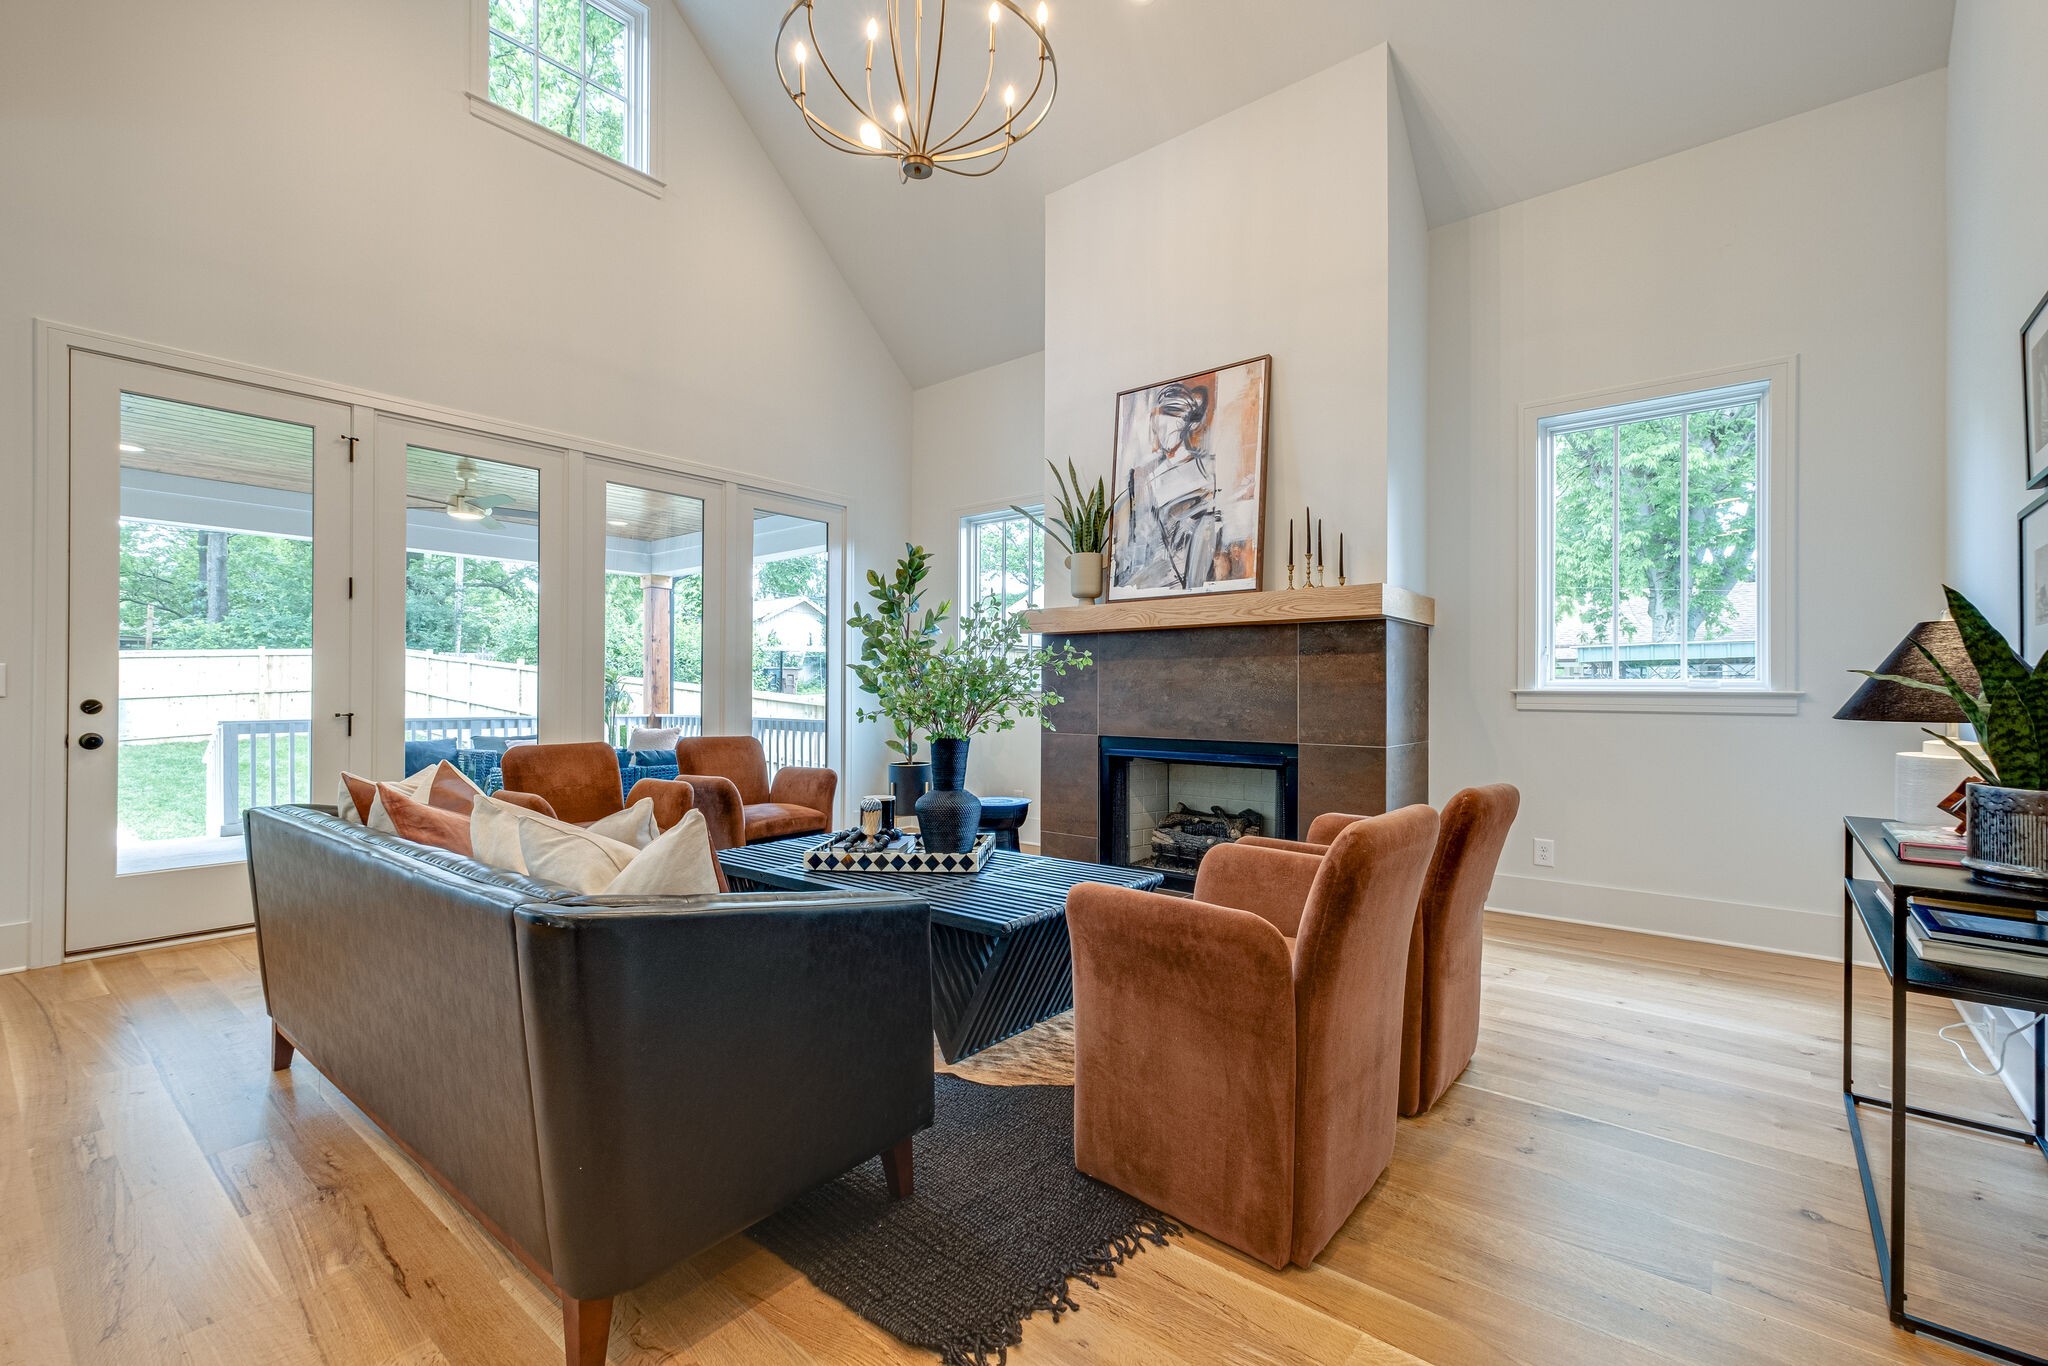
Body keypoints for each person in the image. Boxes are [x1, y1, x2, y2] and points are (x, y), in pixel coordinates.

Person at [1119, 381, 1224, 591]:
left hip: (1189, 586)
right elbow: (1137, 542)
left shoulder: (1208, 472)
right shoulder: (1144, 478)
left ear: (1189, 422)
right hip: (1147, 584)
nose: (1162, 427)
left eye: (1173, 416)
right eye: (1159, 419)